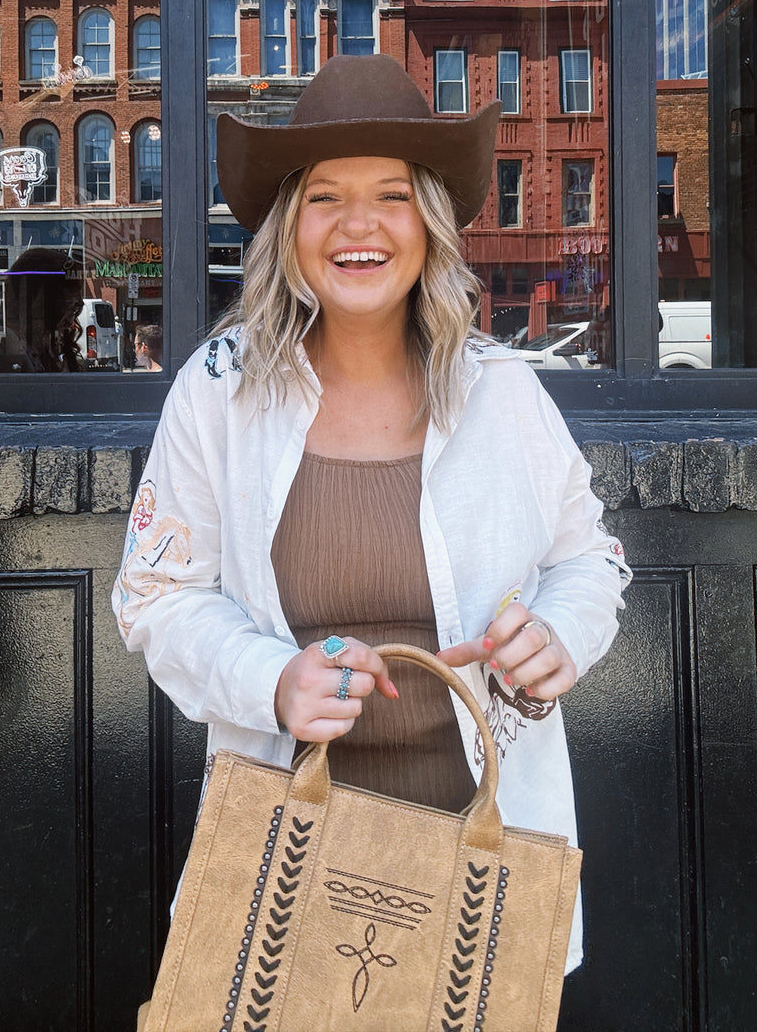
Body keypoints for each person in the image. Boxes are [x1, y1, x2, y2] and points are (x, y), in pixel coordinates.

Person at [112, 54, 630, 976]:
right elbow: (154, 594)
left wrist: (559, 636)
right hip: (283, 853)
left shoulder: (504, 393)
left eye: (391, 195)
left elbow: (589, 559)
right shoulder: (217, 392)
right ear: (290, 226)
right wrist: (273, 680)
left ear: (427, 223)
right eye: (325, 198)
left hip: (485, 856)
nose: (359, 226)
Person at [0, 247, 82, 373]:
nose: (79, 303)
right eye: (69, 294)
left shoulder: (46, 343)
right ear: (35, 296)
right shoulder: (1, 341)